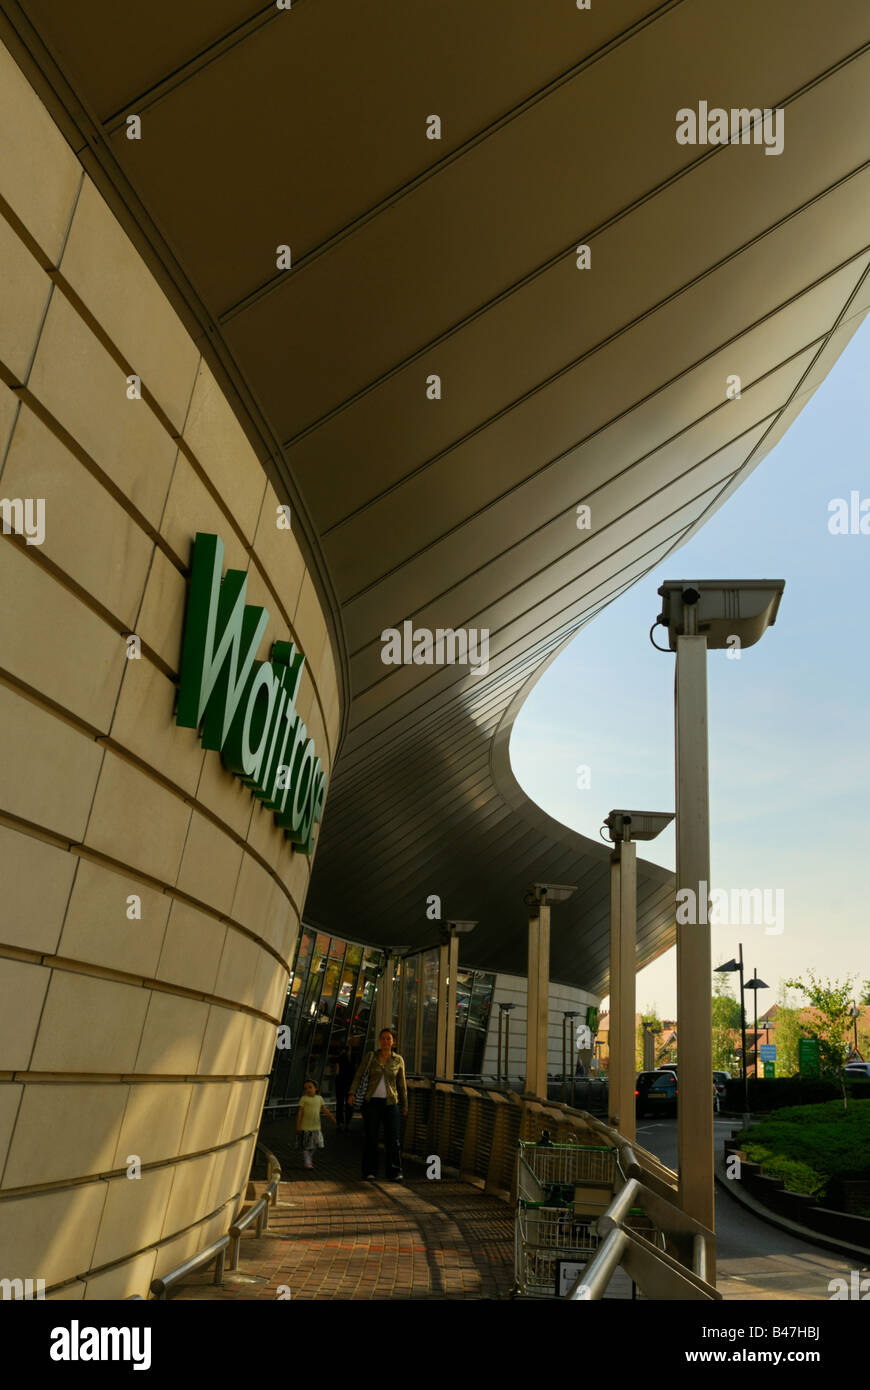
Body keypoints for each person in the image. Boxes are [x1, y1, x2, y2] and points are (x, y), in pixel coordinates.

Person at [348, 1028, 408, 1181]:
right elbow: (358, 1076)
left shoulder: (398, 1060)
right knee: (371, 1137)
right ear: (379, 1041)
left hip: (391, 1104)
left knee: (393, 1139)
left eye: (388, 1039)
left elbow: (402, 1085)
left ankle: (395, 1172)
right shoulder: (370, 1057)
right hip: (372, 1103)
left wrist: (405, 1104)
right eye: (383, 1038)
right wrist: (351, 1093)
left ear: (393, 1042)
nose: (385, 1042)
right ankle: (369, 1171)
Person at [295, 1078, 336, 1170]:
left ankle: (309, 1158)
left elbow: (324, 1109)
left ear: (316, 1088)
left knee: (316, 1145)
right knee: (305, 1145)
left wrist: (332, 1117)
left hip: (316, 1127)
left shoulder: (319, 1098)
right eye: (305, 1088)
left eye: (310, 1087)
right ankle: (307, 1162)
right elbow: (300, 1112)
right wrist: (298, 1125)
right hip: (305, 1127)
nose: (308, 1090)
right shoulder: (304, 1099)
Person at [334, 1045, 354, 1130]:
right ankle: (347, 1122)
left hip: (340, 1083)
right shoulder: (351, 1060)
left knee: (340, 1104)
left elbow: (337, 1071)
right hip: (349, 1084)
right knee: (349, 1104)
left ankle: (339, 1122)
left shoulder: (339, 1059)